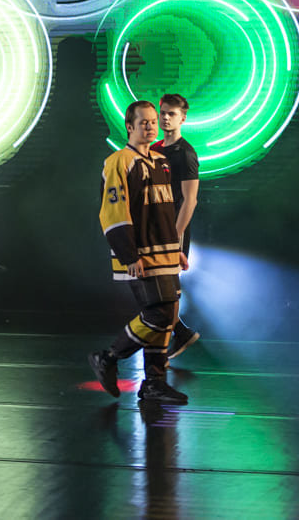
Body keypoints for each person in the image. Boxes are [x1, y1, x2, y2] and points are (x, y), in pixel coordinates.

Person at [88, 100, 190, 404]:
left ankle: (154, 384)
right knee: (158, 314)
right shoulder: (118, 161)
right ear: (129, 127)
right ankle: (108, 357)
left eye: (152, 121)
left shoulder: (161, 161)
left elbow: (166, 212)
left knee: (168, 316)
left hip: (165, 253)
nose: (150, 126)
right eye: (143, 122)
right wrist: (129, 255)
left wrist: (177, 249)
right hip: (141, 254)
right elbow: (112, 212)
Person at [151, 94, 200, 359]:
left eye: (172, 113)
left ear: (183, 118)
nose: (166, 117)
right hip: (154, 227)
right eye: (163, 113)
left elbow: (190, 200)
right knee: (154, 286)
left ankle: (170, 340)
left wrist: (175, 235)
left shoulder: (186, 154)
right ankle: (180, 332)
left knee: (168, 287)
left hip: (173, 229)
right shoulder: (155, 148)